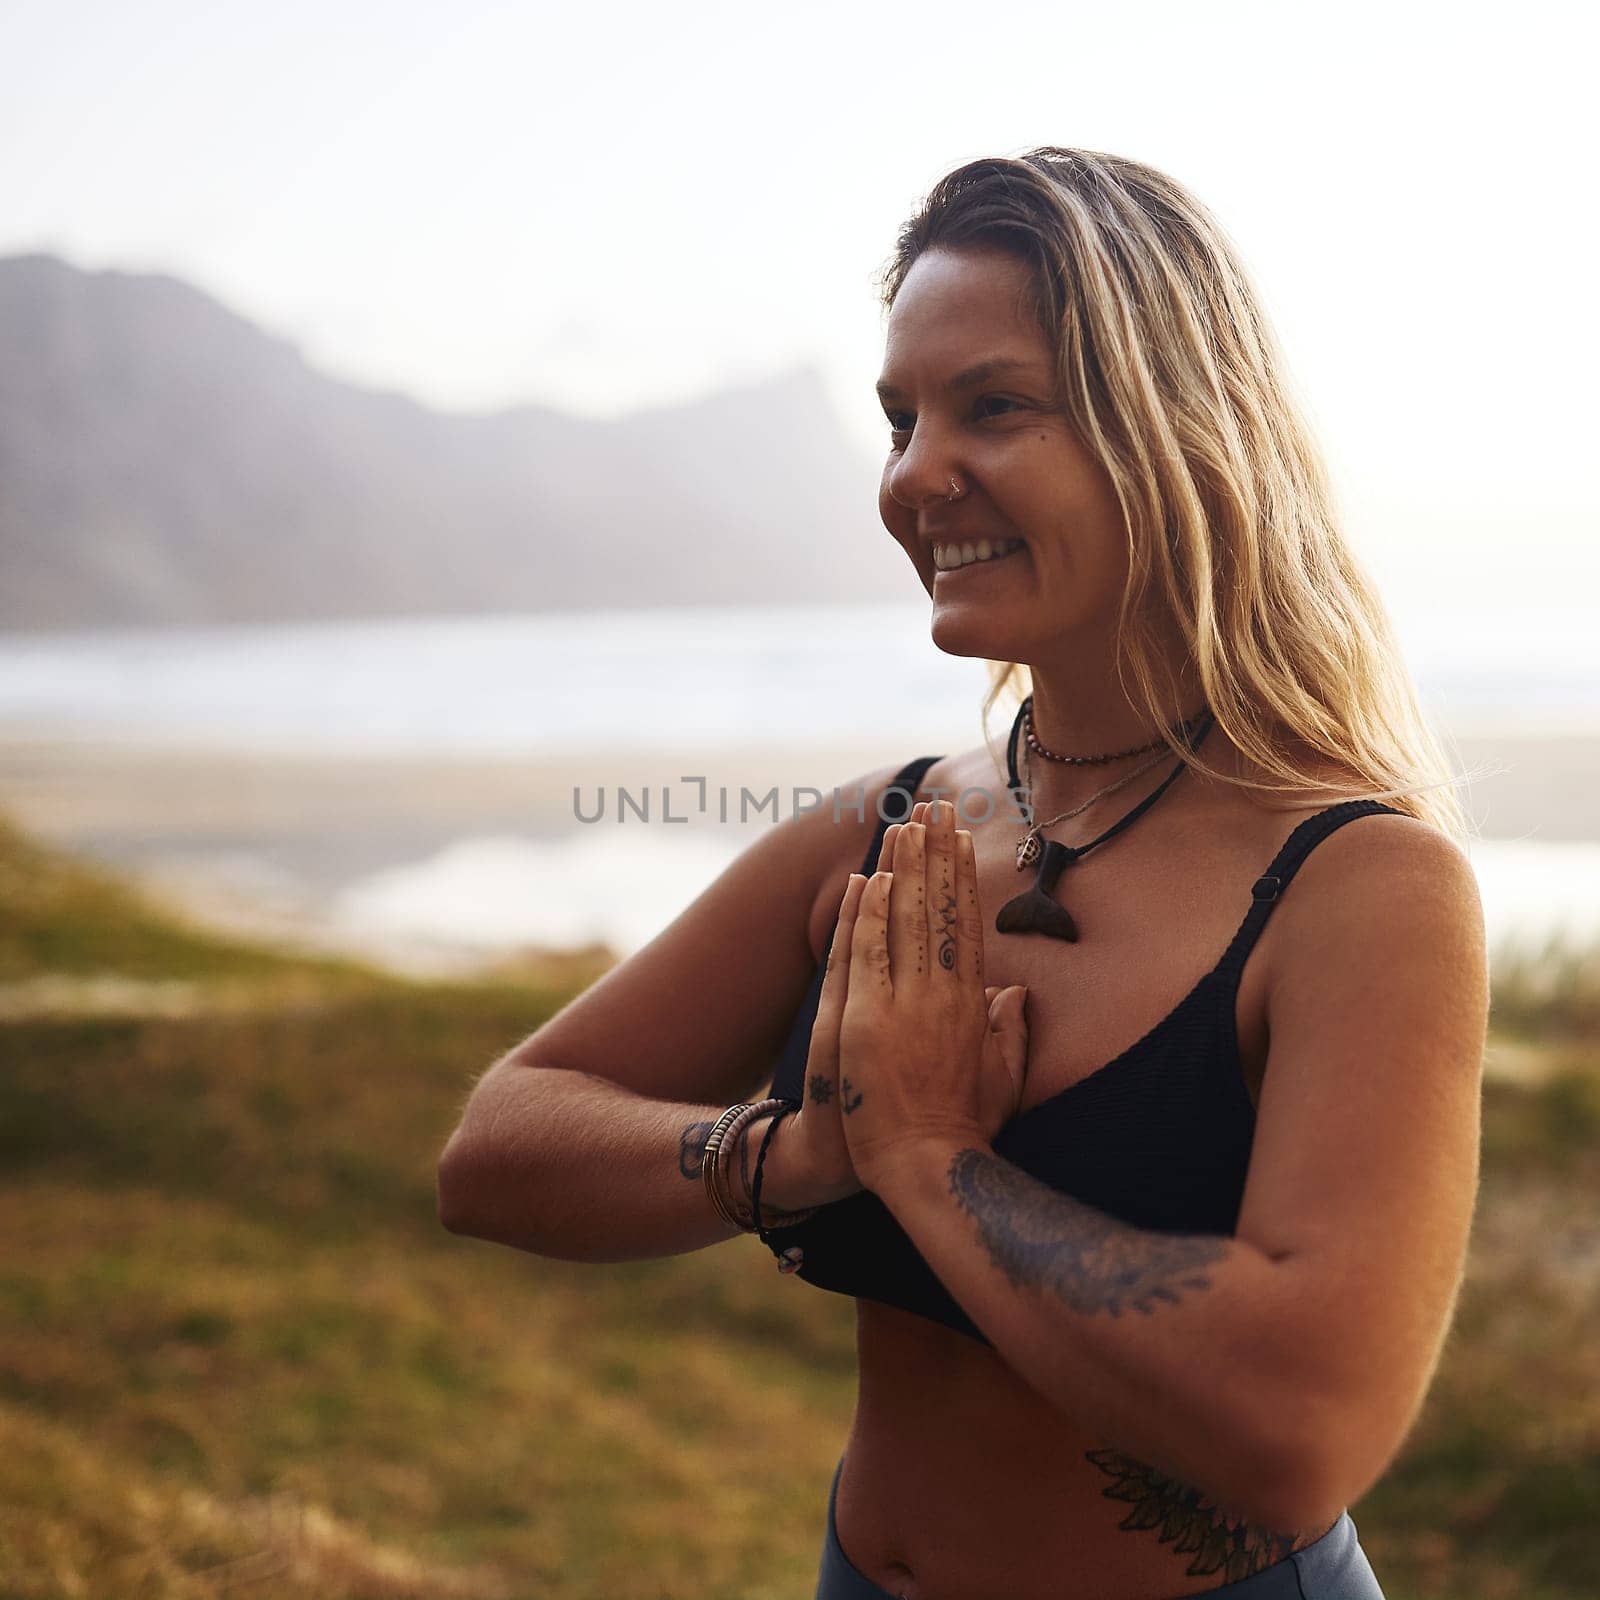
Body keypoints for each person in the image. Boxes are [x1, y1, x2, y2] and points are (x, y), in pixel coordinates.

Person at [436, 147, 1489, 1599]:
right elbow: (496, 1148)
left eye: (991, 407)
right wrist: (789, 1158)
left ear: (1176, 432)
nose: (913, 475)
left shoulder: (1357, 883)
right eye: (899, 417)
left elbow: (1301, 1432)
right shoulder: (890, 832)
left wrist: (930, 1160)